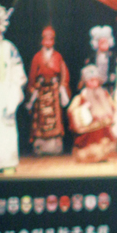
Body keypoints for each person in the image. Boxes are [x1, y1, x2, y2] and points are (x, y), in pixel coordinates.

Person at [0, 1, 27, 173]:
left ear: (1, 26)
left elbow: (18, 72)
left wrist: (14, 94)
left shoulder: (9, 48)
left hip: (4, 91)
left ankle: (7, 162)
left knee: (6, 126)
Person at [26, 24, 71, 154]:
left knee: (55, 117)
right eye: (46, 39)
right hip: (41, 91)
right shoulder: (37, 57)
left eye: (50, 39)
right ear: (42, 41)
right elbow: (32, 75)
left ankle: (55, 144)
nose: (48, 42)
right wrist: (32, 90)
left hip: (54, 91)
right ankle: (40, 144)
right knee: (40, 117)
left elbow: (64, 73)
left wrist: (63, 87)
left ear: (53, 41)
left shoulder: (58, 56)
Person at [67, 64, 117, 163]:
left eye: (96, 80)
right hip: (90, 129)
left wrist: (110, 114)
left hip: (105, 127)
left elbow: (113, 108)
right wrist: (83, 110)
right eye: (91, 80)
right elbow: (72, 111)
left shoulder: (104, 94)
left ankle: (105, 155)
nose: (94, 83)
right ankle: (91, 156)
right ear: (85, 82)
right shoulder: (81, 97)